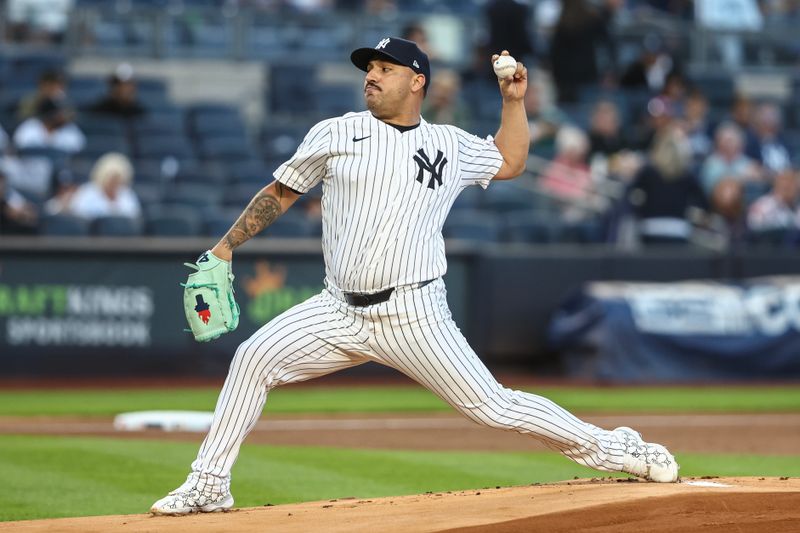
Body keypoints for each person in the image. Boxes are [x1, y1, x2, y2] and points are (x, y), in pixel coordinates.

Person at [150, 37, 678, 516]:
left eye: (385, 67)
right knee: (252, 359)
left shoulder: (448, 144)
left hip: (414, 314)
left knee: (494, 408)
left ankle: (616, 448)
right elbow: (280, 193)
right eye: (369, 68)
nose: (372, 76)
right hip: (337, 310)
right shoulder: (335, 133)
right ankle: (208, 484)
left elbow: (512, 160)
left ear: (417, 80)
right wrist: (223, 247)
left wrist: (513, 101)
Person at [54, 152, 141, 220]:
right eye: (111, 178)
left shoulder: (127, 195)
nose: (114, 183)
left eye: (117, 179)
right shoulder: (88, 192)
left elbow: (134, 217)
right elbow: (77, 215)